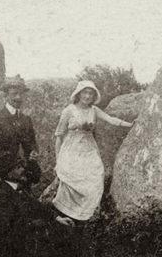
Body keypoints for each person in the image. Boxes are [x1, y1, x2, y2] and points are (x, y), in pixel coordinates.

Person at [52, 80, 133, 227]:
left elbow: (111, 120)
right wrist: (58, 161)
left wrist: (130, 125)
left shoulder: (94, 110)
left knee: (96, 175)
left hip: (89, 149)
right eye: (85, 92)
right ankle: (64, 215)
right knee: (71, 180)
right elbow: (59, 136)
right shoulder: (69, 110)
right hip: (72, 150)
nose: (87, 96)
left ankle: (86, 216)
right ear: (78, 94)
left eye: (90, 93)